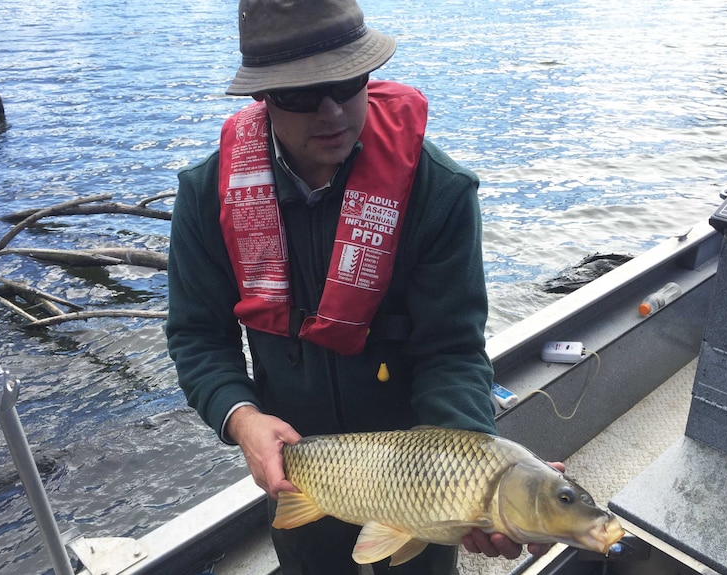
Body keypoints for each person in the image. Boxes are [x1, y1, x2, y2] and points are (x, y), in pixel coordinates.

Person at [166, 0, 554, 572]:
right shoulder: (207, 194)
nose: (332, 111)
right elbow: (199, 339)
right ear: (263, 96)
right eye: (300, 94)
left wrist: (470, 472)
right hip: (300, 466)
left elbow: (451, 352)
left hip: (417, 475)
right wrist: (240, 416)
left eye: (348, 83)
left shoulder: (438, 190)